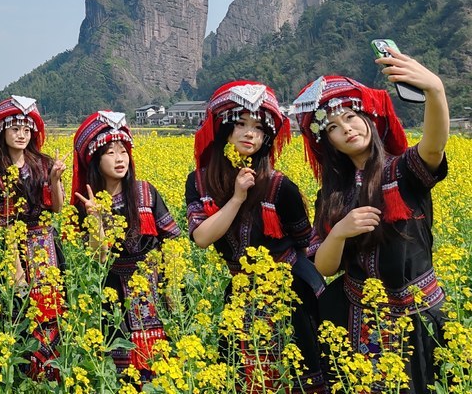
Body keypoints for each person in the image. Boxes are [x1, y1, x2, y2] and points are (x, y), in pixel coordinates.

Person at [293, 48, 449, 393]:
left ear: (369, 118)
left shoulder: (404, 170)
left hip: (418, 317)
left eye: (350, 117)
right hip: (355, 316)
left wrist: (435, 91)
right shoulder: (331, 197)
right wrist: (340, 233)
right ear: (328, 143)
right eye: (333, 127)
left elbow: (434, 147)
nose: (346, 129)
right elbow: (325, 266)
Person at [186, 81, 327, 393]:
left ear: (266, 139)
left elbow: (308, 245)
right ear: (225, 128)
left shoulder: (280, 186)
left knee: (295, 377)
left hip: (288, 295)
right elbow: (202, 238)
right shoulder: (200, 182)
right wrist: (236, 198)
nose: (249, 133)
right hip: (239, 294)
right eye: (240, 124)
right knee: (242, 377)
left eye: (258, 128)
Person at [71, 110, 180, 380]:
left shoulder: (145, 191)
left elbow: (171, 240)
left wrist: (173, 289)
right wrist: (95, 219)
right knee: (123, 371)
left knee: (161, 367)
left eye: (123, 150)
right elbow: (99, 258)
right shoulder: (87, 202)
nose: (120, 158)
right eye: (110, 152)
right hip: (114, 291)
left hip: (154, 288)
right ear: (96, 159)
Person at [0, 95, 66, 381]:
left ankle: (51, 373)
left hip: (46, 245)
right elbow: (5, 224)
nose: (21, 134)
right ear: (2, 132)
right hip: (16, 246)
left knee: (51, 306)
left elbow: (57, 208)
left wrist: (55, 180)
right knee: (19, 308)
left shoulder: (44, 163)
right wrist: (16, 268)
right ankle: (25, 376)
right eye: (15, 128)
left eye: (26, 129)